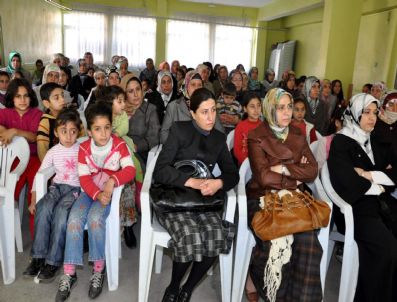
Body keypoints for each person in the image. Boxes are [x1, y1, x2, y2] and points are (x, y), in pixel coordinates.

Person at [153, 87, 239, 302]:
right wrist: (192, 181)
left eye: (213, 111)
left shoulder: (219, 139)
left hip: (203, 201)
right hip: (174, 198)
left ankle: (188, 288)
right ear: (192, 113)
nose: (211, 117)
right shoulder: (179, 130)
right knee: (191, 236)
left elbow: (232, 174)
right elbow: (161, 170)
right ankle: (173, 288)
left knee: (216, 235)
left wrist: (218, 183)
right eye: (204, 112)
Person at [246, 87, 322, 302]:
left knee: (308, 242)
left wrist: (285, 168)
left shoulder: (298, 133)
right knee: (276, 241)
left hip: (292, 198)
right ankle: (274, 294)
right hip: (262, 198)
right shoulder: (256, 136)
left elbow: (312, 170)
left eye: (289, 107)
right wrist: (296, 174)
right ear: (270, 109)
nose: (287, 113)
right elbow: (263, 177)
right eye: (280, 108)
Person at [55, 102, 135, 301]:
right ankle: (69, 272)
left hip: (108, 193)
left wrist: (112, 181)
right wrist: (95, 193)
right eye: (97, 129)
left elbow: (130, 170)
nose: (103, 133)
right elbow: (83, 178)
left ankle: (99, 270)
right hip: (89, 192)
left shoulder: (119, 145)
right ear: (89, 131)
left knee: (95, 219)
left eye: (107, 127)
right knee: (73, 220)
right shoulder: (83, 148)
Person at [328, 93, 397, 302]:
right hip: (354, 208)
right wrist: (380, 184)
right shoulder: (341, 141)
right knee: (387, 249)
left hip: (379, 205)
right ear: (355, 113)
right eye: (366, 112)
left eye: (375, 113)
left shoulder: (374, 139)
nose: (372, 118)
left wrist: (368, 175)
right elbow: (347, 182)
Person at [22, 108, 82, 283]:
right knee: (44, 207)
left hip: (74, 189)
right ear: (56, 132)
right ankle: (38, 257)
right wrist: (34, 200)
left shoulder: (82, 150)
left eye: (73, 131)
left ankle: (53, 261)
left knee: (61, 213)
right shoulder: (53, 151)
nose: (69, 136)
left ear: (78, 132)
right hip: (56, 188)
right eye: (64, 131)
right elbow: (39, 175)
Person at [0, 78, 43, 238]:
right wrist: (5, 129)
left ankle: (37, 241)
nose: (23, 100)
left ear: (31, 97)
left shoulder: (37, 114)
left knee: (36, 199)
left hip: (34, 159)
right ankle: (4, 236)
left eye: (26, 96)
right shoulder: (5, 112)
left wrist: (15, 131)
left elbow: (33, 137)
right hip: (12, 161)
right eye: (18, 96)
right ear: (11, 97)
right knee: (7, 196)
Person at [102, 85, 143, 248]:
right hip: (104, 156)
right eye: (119, 101)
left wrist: (111, 135)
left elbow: (121, 131)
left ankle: (128, 226)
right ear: (108, 102)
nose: (123, 104)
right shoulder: (101, 116)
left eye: (123, 101)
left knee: (127, 186)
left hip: (122, 149)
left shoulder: (123, 116)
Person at [160, 70, 224, 144]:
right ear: (186, 86)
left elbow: (221, 133)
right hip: (180, 150)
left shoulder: (209, 106)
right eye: (193, 84)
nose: (196, 88)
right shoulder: (173, 106)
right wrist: (179, 144)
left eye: (199, 85)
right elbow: (163, 135)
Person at [125, 77, 160, 163]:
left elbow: (154, 137)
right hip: (120, 151)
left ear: (142, 91)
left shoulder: (150, 109)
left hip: (140, 153)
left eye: (138, 89)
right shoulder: (120, 109)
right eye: (131, 91)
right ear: (125, 94)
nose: (135, 94)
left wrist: (137, 146)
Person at [37, 83, 66, 162]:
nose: (62, 99)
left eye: (62, 95)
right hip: (53, 163)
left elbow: (81, 139)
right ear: (47, 103)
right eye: (56, 98)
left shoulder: (72, 116)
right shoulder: (45, 121)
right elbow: (42, 149)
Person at [233, 91, 262, 166]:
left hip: (261, 164)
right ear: (245, 109)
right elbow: (237, 151)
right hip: (245, 166)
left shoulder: (264, 126)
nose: (256, 110)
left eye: (258, 105)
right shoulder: (240, 126)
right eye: (252, 106)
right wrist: (249, 164)